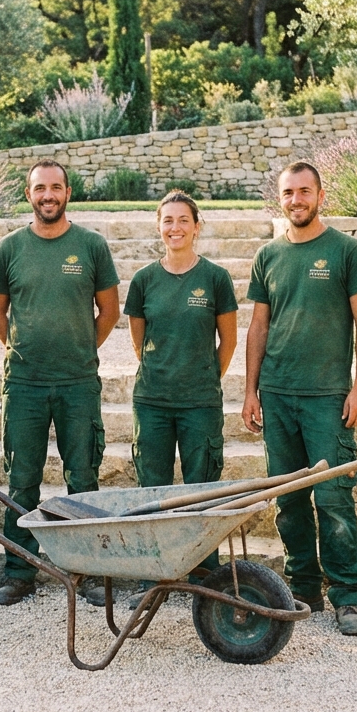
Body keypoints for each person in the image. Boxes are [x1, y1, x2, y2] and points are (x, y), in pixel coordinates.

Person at [241, 162, 357, 637]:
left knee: (333, 497)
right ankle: (304, 590)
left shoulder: (345, 251)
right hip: (278, 396)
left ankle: (348, 597)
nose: (296, 200)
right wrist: (250, 392)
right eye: (287, 193)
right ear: (279, 198)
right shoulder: (269, 256)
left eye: (304, 192)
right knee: (289, 501)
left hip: (327, 398)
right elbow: (258, 327)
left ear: (321, 196)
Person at [0, 159, 120, 606]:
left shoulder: (91, 246)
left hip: (78, 382)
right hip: (24, 382)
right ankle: (18, 572)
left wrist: (81, 348)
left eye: (56, 187)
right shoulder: (9, 248)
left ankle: (88, 571)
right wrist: (20, 349)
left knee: (83, 477)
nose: (48, 195)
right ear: (29, 195)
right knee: (22, 479)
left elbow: (109, 311)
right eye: (40, 188)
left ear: (67, 193)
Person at [124, 190, 238, 607]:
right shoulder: (143, 281)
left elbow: (228, 340)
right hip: (152, 401)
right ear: (159, 226)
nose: (175, 228)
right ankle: (151, 577)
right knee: (150, 490)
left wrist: (204, 376)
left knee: (203, 490)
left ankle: (204, 577)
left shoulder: (215, 279)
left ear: (196, 225)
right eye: (167, 220)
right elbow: (140, 338)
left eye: (183, 220)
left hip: (200, 403)